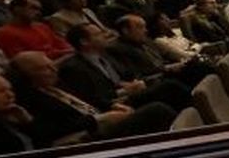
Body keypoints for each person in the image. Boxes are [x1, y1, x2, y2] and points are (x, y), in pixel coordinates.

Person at [9, 51, 174, 148]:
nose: (53, 70)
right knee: (157, 110)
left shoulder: (56, 84)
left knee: (168, 88)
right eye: (44, 68)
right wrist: (99, 119)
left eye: (51, 64)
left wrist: (113, 106)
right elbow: (51, 131)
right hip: (88, 137)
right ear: (27, 76)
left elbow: (89, 99)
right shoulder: (28, 99)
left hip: (104, 115)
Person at [57, 23, 190, 112]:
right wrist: (123, 90)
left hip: (134, 88)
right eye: (98, 34)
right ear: (84, 41)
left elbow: (127, 74)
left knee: (184, 71)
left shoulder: (105, 55)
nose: (104, 36)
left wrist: (133, 83)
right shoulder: (74, 68)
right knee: (170, 87)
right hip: (118, 102)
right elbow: (94, 98)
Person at [0, 0, 74, 60]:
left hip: (62, 59)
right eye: (33, 8)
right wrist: (66, 53)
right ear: (17, 9)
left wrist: (70, 51)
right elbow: (24, 59)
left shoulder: (42, 26)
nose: (38, 12)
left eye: (39, 9)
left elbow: (61, 43)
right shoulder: (4, 33)